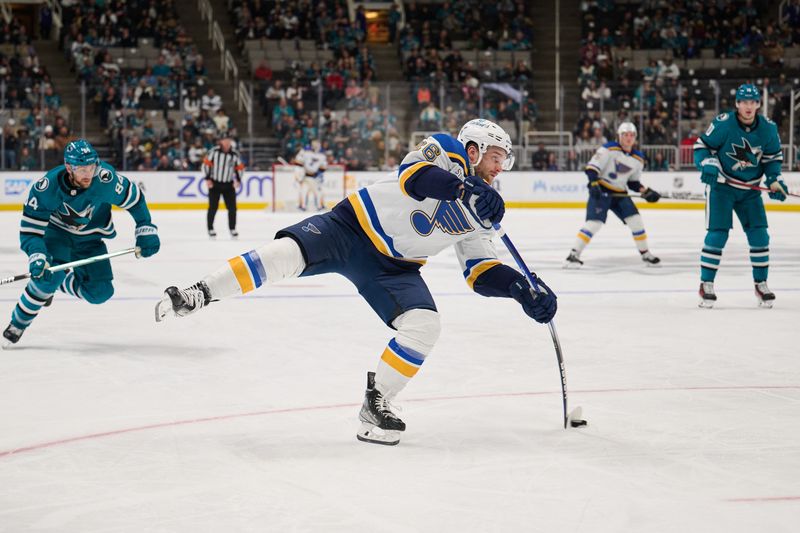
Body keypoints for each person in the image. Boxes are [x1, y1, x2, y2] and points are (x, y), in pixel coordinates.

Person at [155, 119, 558, 446]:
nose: (501, 166)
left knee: (425, 325)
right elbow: (413, 177)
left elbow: (480, 271)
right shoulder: (445, 149)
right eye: (496, 156)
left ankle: (377, 400)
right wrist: (461, 187)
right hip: (350, 226)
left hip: (393, 268)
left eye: (504, 159)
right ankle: (199, 293)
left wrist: (520, 291)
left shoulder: (483, 213)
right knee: (283, 256)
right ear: (472, 150)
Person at [2, 140, 160, 346]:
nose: (88, 173)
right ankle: (18, 323)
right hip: (57, 236)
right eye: (82, 169)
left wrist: (145, 228)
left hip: (91, 240)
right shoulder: (47, 188)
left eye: (91, 167)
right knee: (46, 279)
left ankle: (58, 283)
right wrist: (38, 255)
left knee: (101, 293)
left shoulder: (105, 180)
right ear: (69, 167)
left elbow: (135, 199)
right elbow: (31, 231)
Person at [693, 83, 787, 308]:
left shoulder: (768, 128)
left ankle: (760, 283)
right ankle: (706, 284)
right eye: (744, 102)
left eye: (752, 102)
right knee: (717, 235)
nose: (748, 106)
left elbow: (772, 159)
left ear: (758, 104)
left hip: (750, 192)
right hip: (722, 188)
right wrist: (708, 163)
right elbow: (701, 147)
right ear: (737, 104)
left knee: (760, 236)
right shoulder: (724, 123)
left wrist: (774, 180)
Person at [564, 122, 662, 268]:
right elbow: (591, 169)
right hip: (601, 192)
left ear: (635, 137)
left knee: (636, 221)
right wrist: (594, 183)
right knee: (594, 224)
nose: (628, 138)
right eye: (625, 135)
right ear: (619, 136)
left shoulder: (638, 158)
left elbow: (633, 183)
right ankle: (573, 255)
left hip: (620, 194)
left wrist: (645, 191)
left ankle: (646, 254)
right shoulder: (609, 149)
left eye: (631, 135)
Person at [203, 136, 244, 238]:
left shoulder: (234, 154)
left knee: (232, 208)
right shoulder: (214, 152)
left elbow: (240, 167)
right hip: (215, 183)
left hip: (228, 185)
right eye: (224, 140)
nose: (226, 143)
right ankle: (210, 228)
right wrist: (207, 178)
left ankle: (232, 228)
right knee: (213, 207)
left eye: (228, 141)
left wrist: (238, 180)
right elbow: (206, 165)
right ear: (221, 141)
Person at [291, 139, 327, 211]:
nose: (316, 145)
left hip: (315, 177)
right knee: (304, 192)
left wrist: (319, 174)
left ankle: (319, 207)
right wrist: (300, 174)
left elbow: (323, 167)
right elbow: (298, 162)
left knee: (318, 193)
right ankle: (303, 207)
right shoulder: (305, 151)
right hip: (306, 177)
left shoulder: (321, 154)